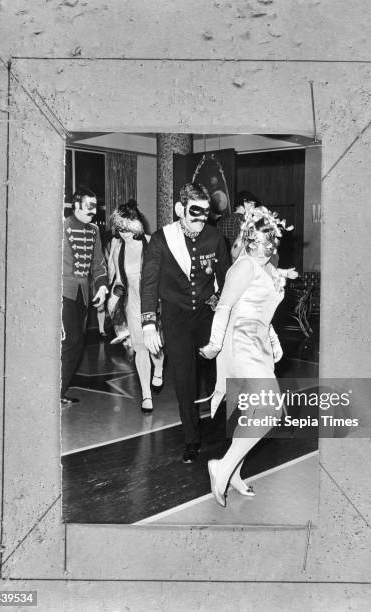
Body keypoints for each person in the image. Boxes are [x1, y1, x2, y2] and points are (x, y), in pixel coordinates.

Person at [199, 206, 293, 506]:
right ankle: (222, 467)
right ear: (251, 241)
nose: (272, 248)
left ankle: (235, 473)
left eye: (275, 242)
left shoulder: (267, 267)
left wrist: (274, 340)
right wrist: (214, 346)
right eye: (267, 243)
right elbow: (226, 307)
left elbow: (263, 310)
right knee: (271, 409)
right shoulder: (244, 267)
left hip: (259, 343)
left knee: (255, 412)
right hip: (241, 343)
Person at [141, 182, 230, 463]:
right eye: (195, 212)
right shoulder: (161, 240)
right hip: (176, 318)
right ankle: (191, 439)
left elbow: (227, 281)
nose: (202, 219)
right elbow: (149, 283)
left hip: (206, 314)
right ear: (180, 209)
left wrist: (220, 309)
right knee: (185, 380)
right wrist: (148, 324)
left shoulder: (215, 238)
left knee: (219, 371)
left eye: (206, 213)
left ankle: (229, 428)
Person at [107, 200, 164, 413]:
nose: (124, 234)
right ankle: (146, 395)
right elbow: (119, 281)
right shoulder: (118, 250)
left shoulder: (151, 243)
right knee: (140, 348)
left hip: (155, 302)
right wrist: (115, 294)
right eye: (120, 229)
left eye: (128, 229)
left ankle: (158, 370)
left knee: (157, 348)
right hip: (133, 303)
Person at [61, 186, 108, 404]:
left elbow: (98, 263)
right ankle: (55, 392)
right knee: (70, 342)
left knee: (76, 343)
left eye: (95, 206)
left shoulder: (94, 231)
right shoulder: (61, 227)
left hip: (83, 295)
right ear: (76, 205)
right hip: (62, 294)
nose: (93, 211)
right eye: (89, 206)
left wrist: (102, 286)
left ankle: (58, 391)